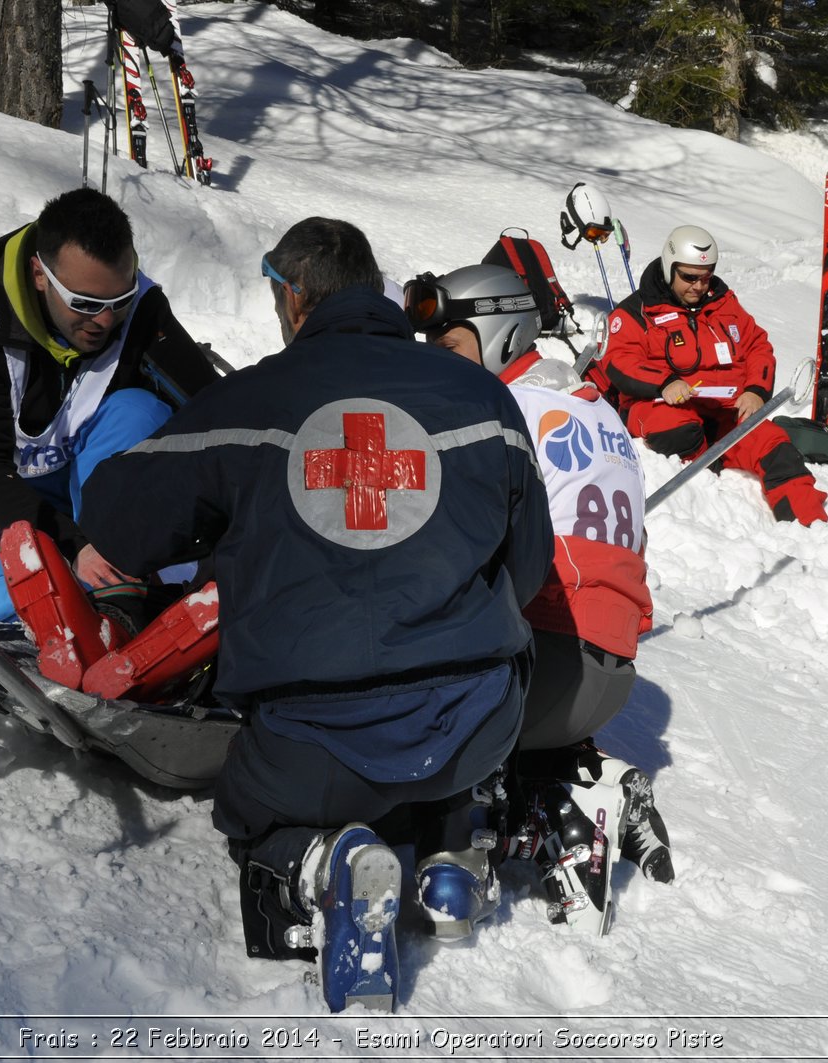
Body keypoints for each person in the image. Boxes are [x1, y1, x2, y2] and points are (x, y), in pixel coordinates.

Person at [71, 218, 553, 1011]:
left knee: (253, 807)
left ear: (295, 300)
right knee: (443, 729)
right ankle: (451, 847)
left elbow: (117, 515)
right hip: (478, 725)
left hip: (316, 747)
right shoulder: (482, 397)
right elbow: (527, 567)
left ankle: (322, 865)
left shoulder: (253, 400)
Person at [407, 263, 673, 938]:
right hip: (610, 669)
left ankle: (479, 828)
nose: (440, 365)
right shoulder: (592, 405)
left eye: (452, 348)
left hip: (542, 666)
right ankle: (573, 785)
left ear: (500, 333)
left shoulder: (501, 411)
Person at [0, 187, 218, 621]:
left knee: (141, 410)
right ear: (40, 274)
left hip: (105, 478)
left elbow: (212, 410)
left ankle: (122, 586)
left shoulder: (141, 308)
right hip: (18, 485)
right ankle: (83, 583)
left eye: (117, 302)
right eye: (85, 303)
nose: (103, 320)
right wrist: (70, 545)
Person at [597, 224, 828, 525]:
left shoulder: (724, 304)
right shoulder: (637, 312)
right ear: (669, 268)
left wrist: (756, 390)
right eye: (689, 277)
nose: (699, 286)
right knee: (677, 429)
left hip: (726, 411)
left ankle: (808, 523)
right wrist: (664, 383)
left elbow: (758, 345)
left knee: (775, 444)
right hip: (664, 405)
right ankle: (708, 487)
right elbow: (618, 359)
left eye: (706, 277)